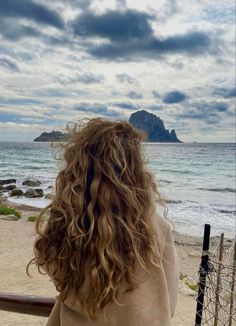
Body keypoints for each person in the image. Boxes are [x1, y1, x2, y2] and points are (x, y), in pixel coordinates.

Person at [27, 118, 179, 326]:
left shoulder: (64, 226)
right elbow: (169, 305)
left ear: (77, 170)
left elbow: (54, 271)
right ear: (135, 170)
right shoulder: (158, 228)